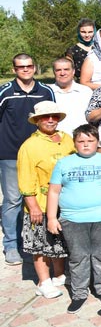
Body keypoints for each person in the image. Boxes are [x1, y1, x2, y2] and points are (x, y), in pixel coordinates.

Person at [46, 124, 101, 313]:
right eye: (81, 141)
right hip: (72, 219)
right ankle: (79, 293)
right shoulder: (64, 164)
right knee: (78, 257)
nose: (86, 145)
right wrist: (51, 217)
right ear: (74, 143)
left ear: (97, 142)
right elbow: (54, 191)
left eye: (90, 141)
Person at [1, 54, 55, 266]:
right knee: (13, 200)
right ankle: (12, 245)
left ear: (35, 67)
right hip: (10, 154)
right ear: (14, 69)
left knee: (42, 197)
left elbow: (53, 117)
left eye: (29, 66)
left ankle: (42, 241)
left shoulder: (45, 91)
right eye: (21, 67)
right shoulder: (5, 92)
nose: (25, 70)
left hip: (40, 154)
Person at [17, 102, 73, 298]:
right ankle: (43, 281)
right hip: (40, 203)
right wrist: (32, 206)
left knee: (58, 242)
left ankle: (59, 275)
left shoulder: (67, 140)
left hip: (63, 202)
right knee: (40, 244)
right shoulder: (29, 146)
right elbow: (25, 179)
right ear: (37, 120)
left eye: (54, 116)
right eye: (45, 117)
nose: (50, 120)